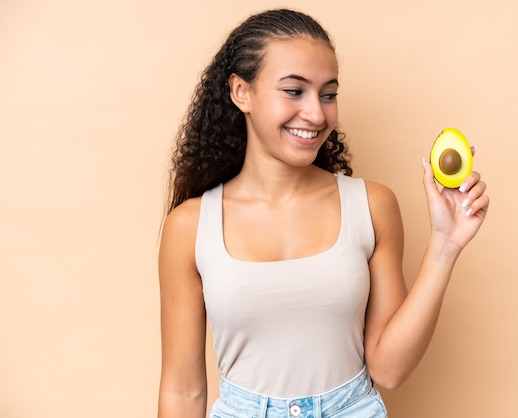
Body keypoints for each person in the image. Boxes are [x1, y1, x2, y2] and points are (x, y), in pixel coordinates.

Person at [157, 8, 489, 418]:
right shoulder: (190, 227)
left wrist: (445, 244)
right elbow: (182, 389)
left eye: (328, 94)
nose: (317, 114)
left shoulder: (372, 206)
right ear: (241, 92)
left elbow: (389, 369)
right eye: (294, 91)